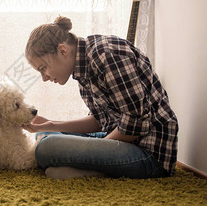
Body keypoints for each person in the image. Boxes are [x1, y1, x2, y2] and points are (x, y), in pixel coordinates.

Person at [22, 16, 178, 179]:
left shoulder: (106, 55)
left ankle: (93, 170)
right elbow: (100, 121)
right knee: (45, 135)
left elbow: (136, 124)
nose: (44, 78)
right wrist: (51, 124)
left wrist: (95, 148)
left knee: (47, 147)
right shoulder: (82, 67)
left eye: (43, 68)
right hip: (122, 142)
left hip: (149, 155)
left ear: (63, 50)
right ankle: (87, 170)